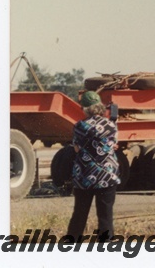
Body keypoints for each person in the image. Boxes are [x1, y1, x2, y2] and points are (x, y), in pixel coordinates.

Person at [66, 91, 120, 242]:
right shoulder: (111, 125)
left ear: (85, 108)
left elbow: (76, 148)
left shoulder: (79, 126)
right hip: (107, 175)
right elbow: (114, 145)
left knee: (80, 212)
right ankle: (106, 241)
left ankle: (72, 241)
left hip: (84, 175)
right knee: (105, 212)